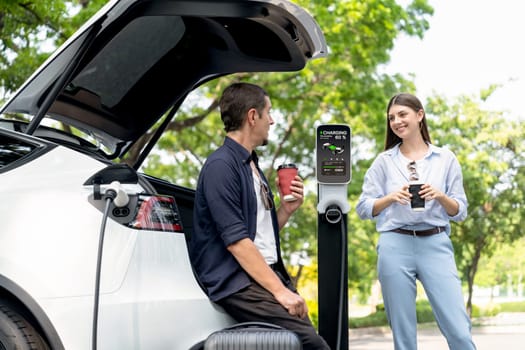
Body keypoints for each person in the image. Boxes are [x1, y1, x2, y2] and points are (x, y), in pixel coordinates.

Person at [189, 82, 329, 350]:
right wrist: (280, 292)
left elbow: (259, 234)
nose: (273, 121)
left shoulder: (251, 165)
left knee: (299, 341)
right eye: (269, 113)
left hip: (263, 274)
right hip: (237, 281)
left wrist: (286, 211)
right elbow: (237, 242)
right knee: (311, 343)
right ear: (253, 116)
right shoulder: (221, 165)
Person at [356, 93, 477, 350]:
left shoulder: (445, 159)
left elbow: (461, 210)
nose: (397, 121)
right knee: (404, 337)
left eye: (402, 114)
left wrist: (440, 196)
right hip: (394, 244)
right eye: (391, 118)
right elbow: (364, 208)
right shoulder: (384, 162)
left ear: (419, 115)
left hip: (436, 242)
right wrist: (389, 198)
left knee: (459, 331)